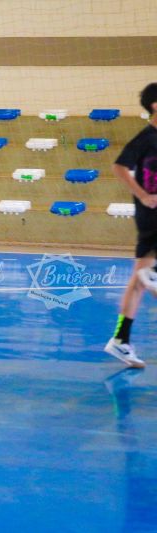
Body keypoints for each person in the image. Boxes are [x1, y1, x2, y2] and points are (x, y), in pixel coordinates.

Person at [105, 82, 157, 369]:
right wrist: (143, 195)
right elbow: (119, 167)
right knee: (143, 278)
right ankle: (154, 275)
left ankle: (120, 340)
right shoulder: (146, 138)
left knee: (138, 281)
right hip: (153, 215)